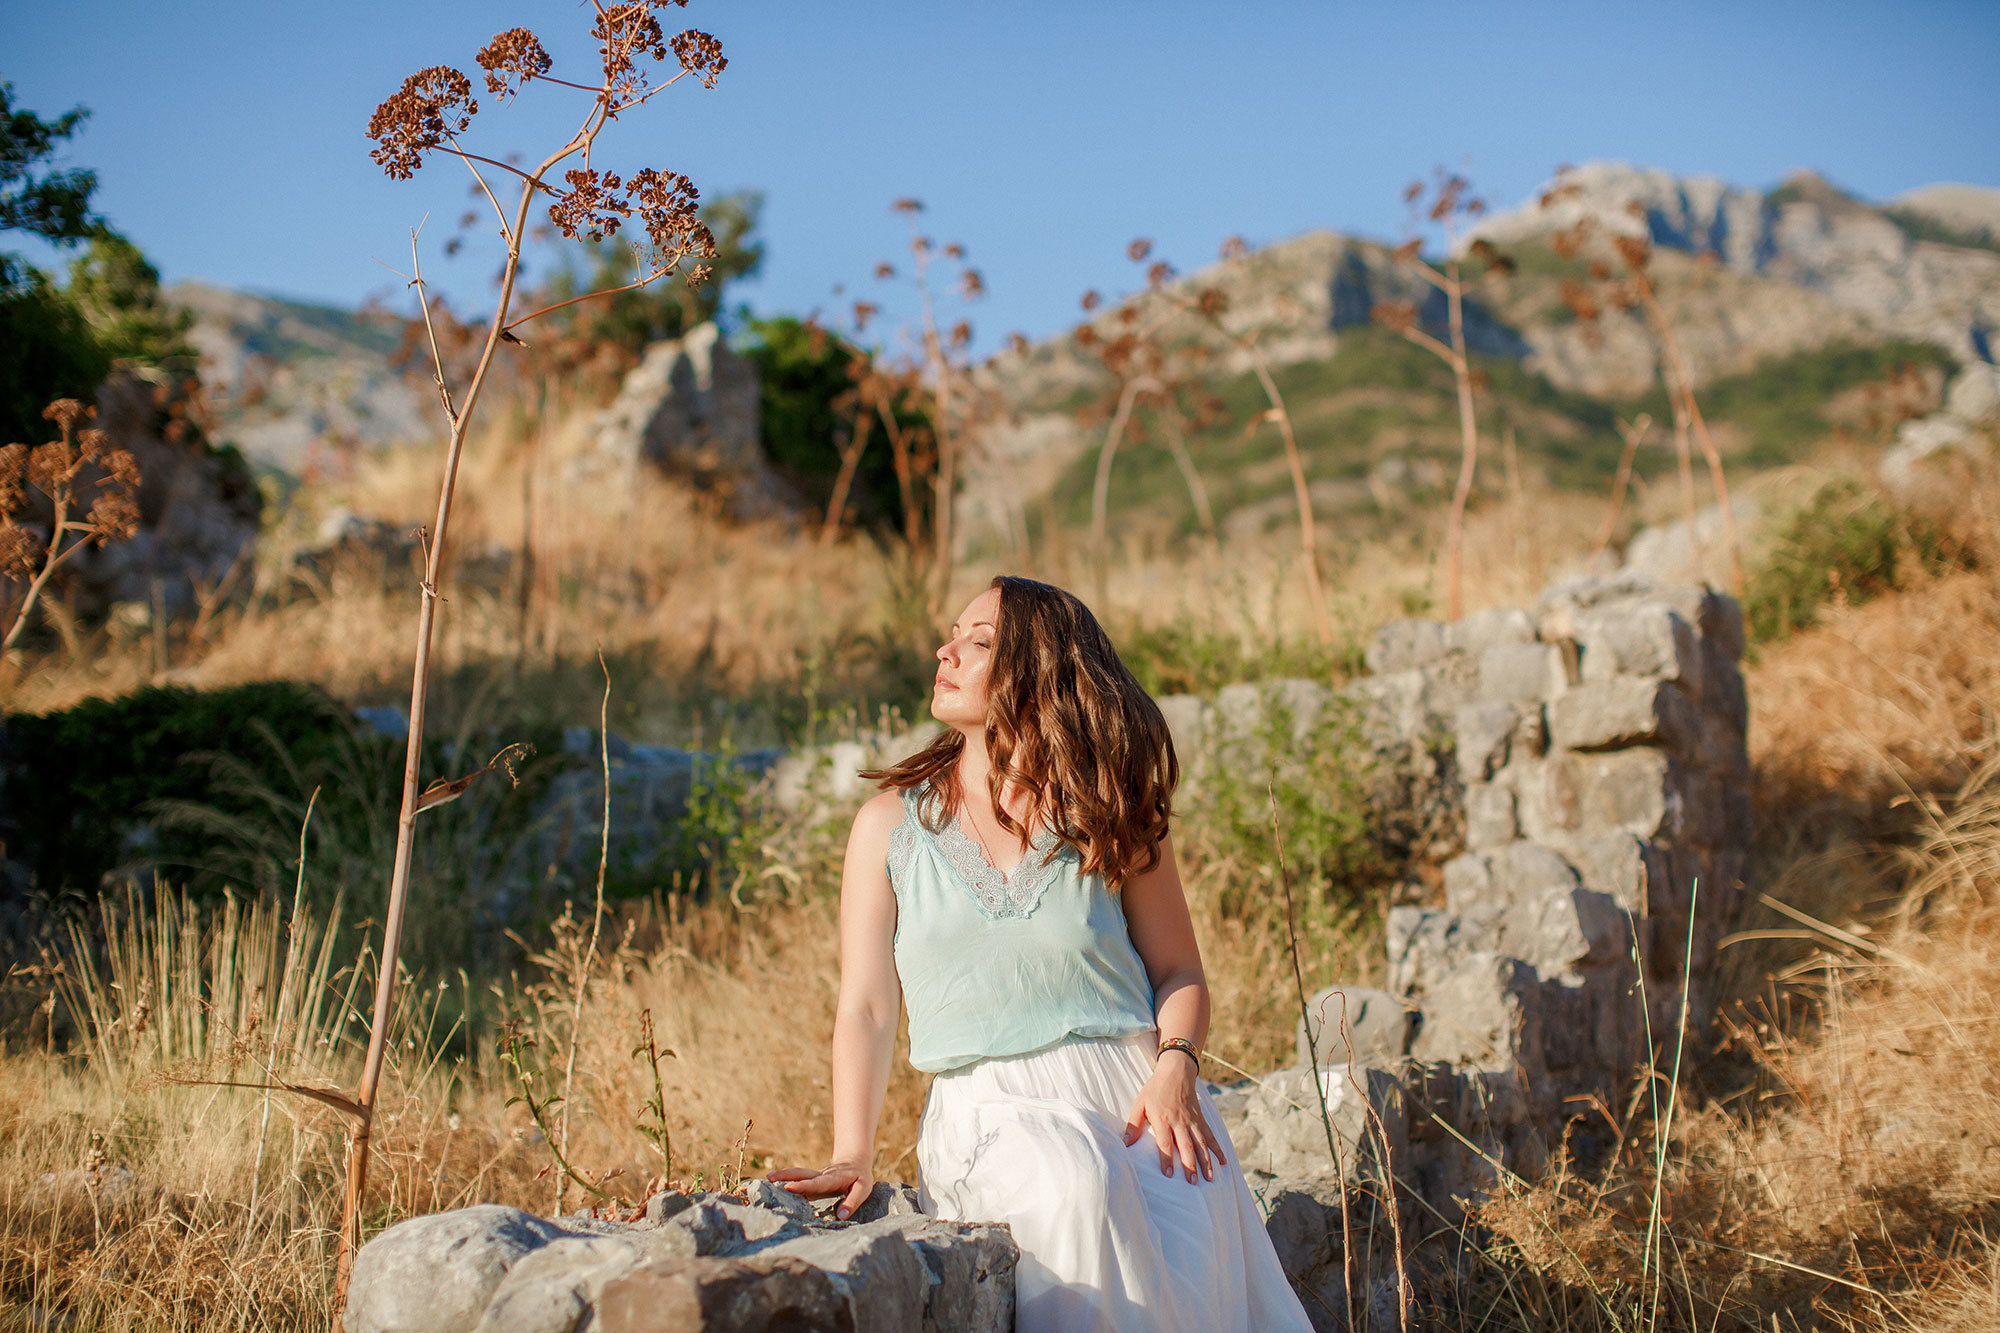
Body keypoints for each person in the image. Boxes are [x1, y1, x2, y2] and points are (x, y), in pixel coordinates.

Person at [769, 575, 1313, 1332]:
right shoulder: (887, 825)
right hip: (991, 1108)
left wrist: (1177, 1065)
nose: (945, 650)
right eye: (953, 633)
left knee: (1187, 1237)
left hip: (1138, 1101)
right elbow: (864, 1004)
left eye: (979, 640)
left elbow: (1180, 972)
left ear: (1039, 671)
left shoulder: (1108, 809)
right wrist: (852, 1150)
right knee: (1073, 1181)